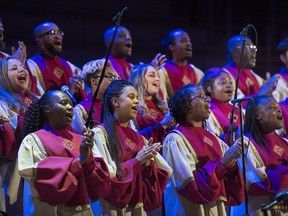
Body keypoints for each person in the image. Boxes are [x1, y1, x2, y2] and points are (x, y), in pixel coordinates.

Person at [18, 90, 111, 216]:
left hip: (82, 209)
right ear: (47, 109)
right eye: (63, 103)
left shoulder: (79, 139)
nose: (70, 107)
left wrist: (89, 160)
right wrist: (78, 162)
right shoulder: (34, 140)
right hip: (53, 209)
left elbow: (97, 184)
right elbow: (39, 175)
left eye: (71, 104)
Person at [91, 79, 172, 215]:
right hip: (110, 208)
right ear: (115, 102)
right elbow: (104, 177)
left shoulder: (140, 139)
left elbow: (160, 176)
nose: (137, 102)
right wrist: (137, 161)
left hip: (136, 206)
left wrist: (147, 164)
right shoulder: (99, 134)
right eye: (131, 97)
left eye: (137, 98)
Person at [162, 84, 244, 216]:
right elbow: (187, 185)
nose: (208, 99)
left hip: (216, 207)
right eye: (201, 96)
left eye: (207, 96)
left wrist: (232, 162)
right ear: (186, 105)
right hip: (189, 209)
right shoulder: (175, 139)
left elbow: (230, 183)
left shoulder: (215, 140)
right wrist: (223, 164)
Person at [0, 56, 41, 215]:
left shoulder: (36, 101)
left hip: (35, 166)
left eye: (22, 67)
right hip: (10, 168)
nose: (21, 70)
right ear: (2, 76)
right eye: (14, 68)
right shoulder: (2, 102)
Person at [237, 95, 288, 215]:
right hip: (260, 208)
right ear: (258, 115)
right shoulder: (245, 144)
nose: (279, 110)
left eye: (279, 107)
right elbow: (255, 183)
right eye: (272, 107)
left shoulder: (285, 142)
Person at [27, 22, 86, 103]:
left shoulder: (70, 67)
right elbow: (34, 100)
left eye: (60, 33)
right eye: (52, 33)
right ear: (39, 41)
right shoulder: (31, 66)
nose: (58, 36)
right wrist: (66, 92)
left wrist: (76, 89)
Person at [129, 63, 175, 143]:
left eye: (158, 76)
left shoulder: (160, 107)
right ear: (139, 79)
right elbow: (134, 136)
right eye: (152, 75)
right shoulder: (132, 105)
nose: (158, 79)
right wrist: (163, 125)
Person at [223, 35, 279, 99]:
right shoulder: (225, 75)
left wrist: (269, 88)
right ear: (234, 52)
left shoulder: (253, 75)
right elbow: (234, 103)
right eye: (249, 47)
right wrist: (262, 94)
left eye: (254, 48)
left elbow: (267, 93)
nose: (254, 51)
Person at [72, 58, 119, 134]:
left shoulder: (117, 107)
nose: (114, 80)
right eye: (109, 76)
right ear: (94, 81)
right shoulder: (80, 110)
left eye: (115, 77)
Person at [159, 29, 204, 101]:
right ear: (172, 47)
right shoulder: (163, 72)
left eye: (189, 41)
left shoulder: (197, 73)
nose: (189, 44)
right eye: (183, 41)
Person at [201, 67, 243, 144]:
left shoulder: (239, 110)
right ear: (210, 89)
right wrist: (228, 137)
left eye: (230, 83)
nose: (229, 85)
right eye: (223, 82)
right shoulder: (208, 111)